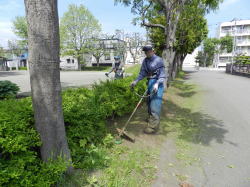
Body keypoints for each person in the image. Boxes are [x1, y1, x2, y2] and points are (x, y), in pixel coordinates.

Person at [130, 45, 167, 134]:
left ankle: (153, 127)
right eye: (145, 52)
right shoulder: (145, 61)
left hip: (157, 84)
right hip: (150, 82)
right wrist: (136, 81)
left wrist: (157, 84)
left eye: (148, 51)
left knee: (155, 105)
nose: (147, 53)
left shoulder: (158, 60)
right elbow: (142, 73)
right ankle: (151, 119)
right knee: (149, 103)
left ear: (153, 51)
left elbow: (162, 75)